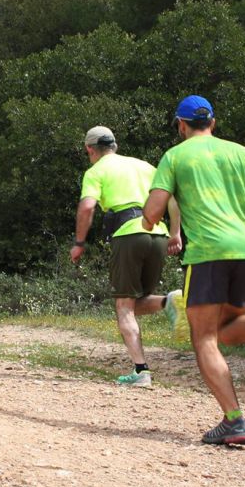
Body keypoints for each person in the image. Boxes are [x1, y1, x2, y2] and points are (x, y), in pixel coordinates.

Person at [142, 95, 245, 445]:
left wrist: (150, 218)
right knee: (224, 329)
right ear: (213, 122)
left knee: (203, 338)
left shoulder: (174, 157)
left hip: (208, 252)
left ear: (181, 125)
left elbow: (152, 212)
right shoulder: (240, 152)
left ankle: (234, 421)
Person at [71, 125, 184, 387]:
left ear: (90, 149)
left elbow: (87, 206)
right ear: (115, 146)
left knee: (123, 307)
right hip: (158, 234)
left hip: (128, 233)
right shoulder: (145, 166)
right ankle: (170, 301)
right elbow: (172, 200)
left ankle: (141, 372)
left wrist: (79, 242)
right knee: (136, 302)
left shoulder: (95, 171)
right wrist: (175, 234)